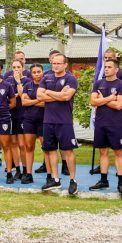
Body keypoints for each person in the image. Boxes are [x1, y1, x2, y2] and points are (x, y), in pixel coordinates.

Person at [37, 52, 79, 195]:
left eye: (58, 63)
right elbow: (39, 96)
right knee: (50, 150)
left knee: (68, 151)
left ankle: (73, 180)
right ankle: (55, 179)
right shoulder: (46, 78)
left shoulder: (71, 79)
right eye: (53, 63)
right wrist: (58, 95)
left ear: (65, 65)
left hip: (64, 121)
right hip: (48, 120)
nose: (55, 66)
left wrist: (49, 93)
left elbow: (66, 97)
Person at [89, 59, 122, 194]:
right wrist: (110, 98)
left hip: (115, 124)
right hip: (100, 123)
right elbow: (93, 102)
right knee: (103, 152)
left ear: (116, 69)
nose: (106, 69)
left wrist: (102, 99)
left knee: (118, 152)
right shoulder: (98, 83)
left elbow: (119, 105)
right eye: (105, 67)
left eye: (109, 67)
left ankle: (120, 183)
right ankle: (103, 180)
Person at [18, 63, 45, 185]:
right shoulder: (27, 85)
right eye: (34, 72)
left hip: (45, 120)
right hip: (29, 120)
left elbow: (46, 103)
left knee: (46, 147)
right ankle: (28, 174)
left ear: (42, 72)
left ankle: (50, 175)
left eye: (39, 71)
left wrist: (31, 101)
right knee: (28, 147)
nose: (36, 74)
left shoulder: (47, 86)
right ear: (31, 73)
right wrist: (38, 100)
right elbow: (24, 102)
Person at [5, 60, 27, 178]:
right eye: (14, 67)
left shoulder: (26, 80)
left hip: (22, 115)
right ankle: (17, 169)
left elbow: (22, 94)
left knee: (22, 145)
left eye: (18, 67)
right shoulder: (7, 81)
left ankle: (25, 169)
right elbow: (7, 96)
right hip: (10, 115)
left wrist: (18, 81)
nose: (16, 69)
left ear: (22, 68)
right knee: (13, 143)